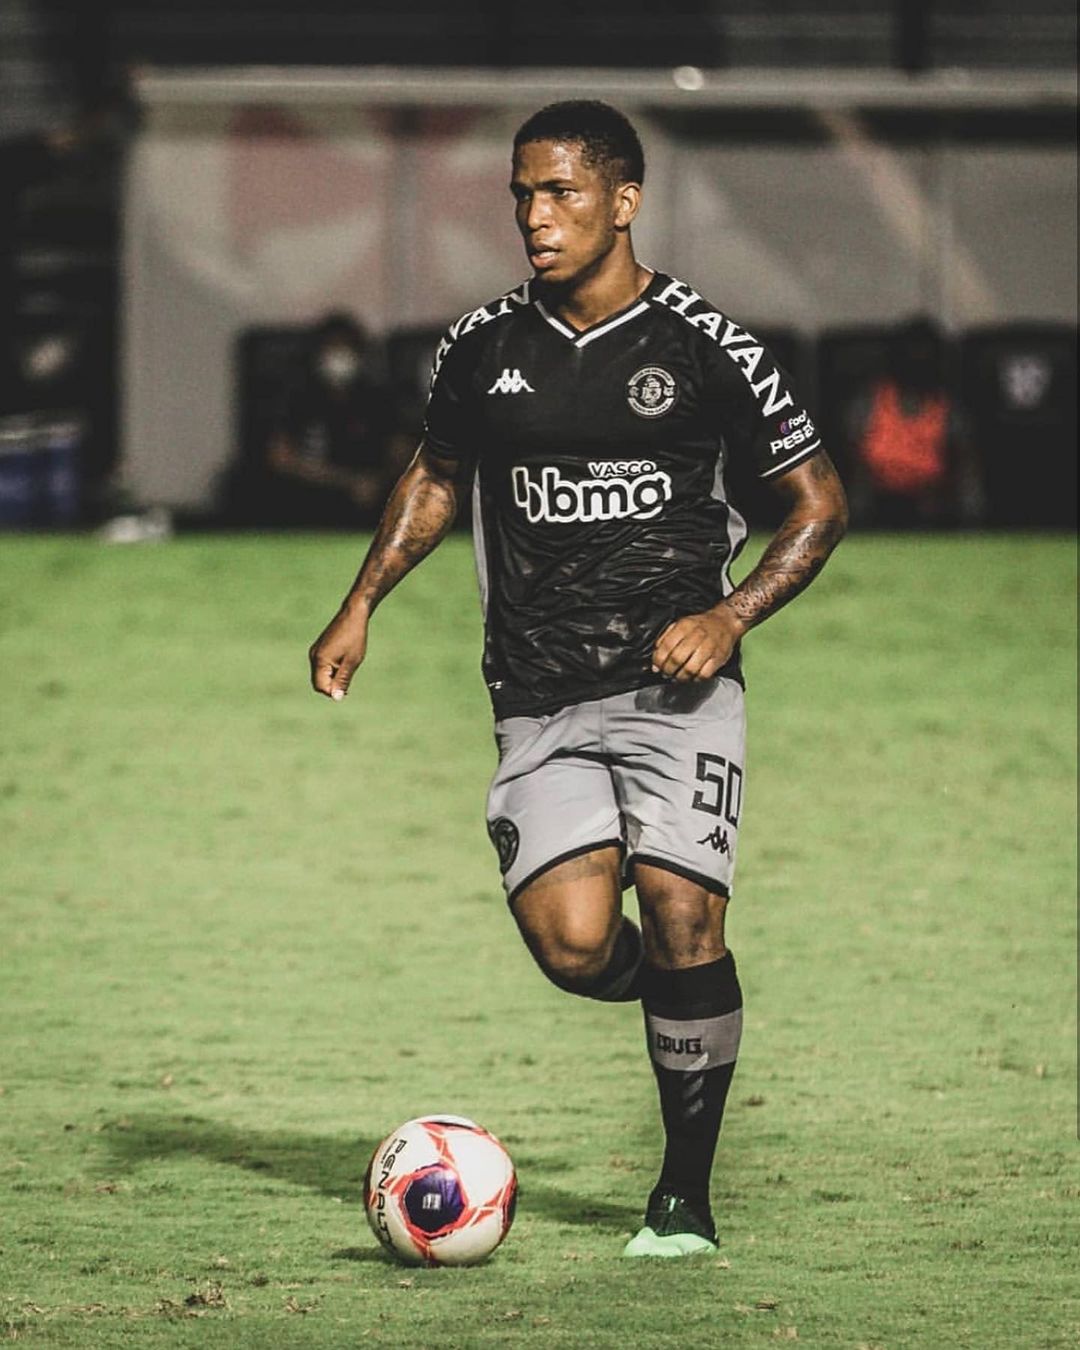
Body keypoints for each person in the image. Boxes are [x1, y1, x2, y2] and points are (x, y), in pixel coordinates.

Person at [309, 101, 848, 1257]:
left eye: (560, 192)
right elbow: (435, 477)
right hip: (537, 692)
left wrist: (729, 613)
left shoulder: (706, 345)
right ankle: (688, 1001)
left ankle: (683, 1199)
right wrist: (362, 602)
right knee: (572, 947)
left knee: (684, 909)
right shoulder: (482, 347)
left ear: (624, 200)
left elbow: (819, 506)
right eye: (522, 193)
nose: (535, 216)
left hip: (678, 692)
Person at [261, 313, 402, 527]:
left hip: (372, 498)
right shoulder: (297, 398)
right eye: (332, 348)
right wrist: (346, 482)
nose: (339, 357)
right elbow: (280, 459)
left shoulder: (378, 399)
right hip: (310, 496)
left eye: (346, 348)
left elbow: (402, 453)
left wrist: (376, 482)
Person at [845, 316, 978, 527]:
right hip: (876, 505)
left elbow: (966, 467)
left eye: (925, 355)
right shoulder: (868, 403)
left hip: (932, 508)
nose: (918, 361)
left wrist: (972, 518)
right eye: (912, 353)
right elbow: (852, 464)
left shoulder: (949, 409)